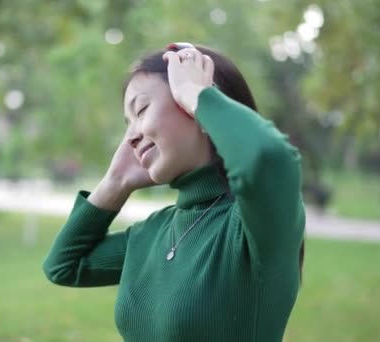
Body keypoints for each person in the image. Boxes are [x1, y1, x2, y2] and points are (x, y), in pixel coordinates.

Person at [43, 42, 306, 342]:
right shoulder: (153, 232)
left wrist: (198, 95)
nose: (130, 136)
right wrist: (116, 181)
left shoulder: (255, 229)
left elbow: (268, 157)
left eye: (141, 110)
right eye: (127, 124)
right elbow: (63, 266)